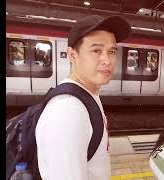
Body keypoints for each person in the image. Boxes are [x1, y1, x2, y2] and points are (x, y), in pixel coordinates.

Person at [35, 15, 131, 180]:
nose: (107, 60)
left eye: (112, 51)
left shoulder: (88, 95)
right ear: (72, 55)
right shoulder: (67, 111)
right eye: (96, 50)